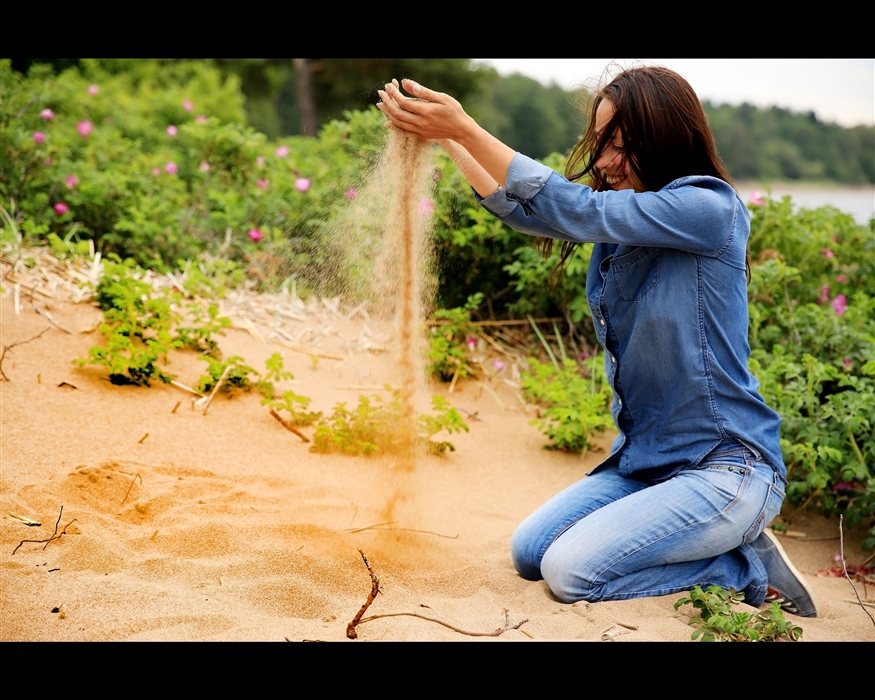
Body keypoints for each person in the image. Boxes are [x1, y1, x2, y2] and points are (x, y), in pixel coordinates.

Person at [376, 66, 817, 617]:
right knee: (531, 551)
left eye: (620, 146)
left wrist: (465, 125)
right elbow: (528, 211)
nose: (603, 162)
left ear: (666, 140)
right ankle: (706, 541)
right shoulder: (619, 230)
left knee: (569, 572)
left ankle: (742, 566)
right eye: (600, 144)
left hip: (726, 469)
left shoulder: (710, 209)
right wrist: (443, 135)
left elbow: (575, 207)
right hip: (647, 466)